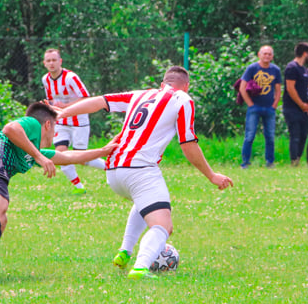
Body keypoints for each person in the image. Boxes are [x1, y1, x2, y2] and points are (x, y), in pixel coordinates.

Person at [55, 66, 233, 280]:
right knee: (163, 225)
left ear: (162, 84)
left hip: (113, 169)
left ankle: (125, 251)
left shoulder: (142, 94)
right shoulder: (183, 99)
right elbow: (188, 144)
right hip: (139, 170)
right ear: (186, 86)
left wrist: (63, 113)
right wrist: (212, 176)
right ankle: (141, 268)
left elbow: (100, 101)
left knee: (144, 202)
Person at [0, 102, 117, 286]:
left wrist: (104, 151)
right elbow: (10, 128)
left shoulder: (34, 150)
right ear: (47, 124)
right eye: (54, 128)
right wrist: (39, 157)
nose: (55, 135)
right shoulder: (32, 124)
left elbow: (69, 157)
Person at [41, 48, 105, 192]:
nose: (52, 63)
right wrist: (48, 107)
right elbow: (53, 101)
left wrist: (65, 107)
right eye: (49, 60)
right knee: (61, 155)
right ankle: (79, 188)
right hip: (62, 121)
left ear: (60, 61)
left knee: (81, 158)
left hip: (78, 121)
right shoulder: (45, 79)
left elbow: (86, 98)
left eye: (54, 60)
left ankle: (111, 167)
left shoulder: (71, 78)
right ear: (44, 63)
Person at [239, 45, 282, 168]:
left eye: (269, 54)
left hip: (269, 108)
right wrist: (250, 104)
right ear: (259, 54)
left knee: (270, 137)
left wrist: (275, 105)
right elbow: (242, 87)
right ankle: (245, 162)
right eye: (265, 53)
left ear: (272, 56)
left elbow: (278, 89)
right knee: (249, 136)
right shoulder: (252, 68)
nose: (267, 56)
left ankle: (270, 162)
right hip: (254, 107)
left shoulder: (275, 70)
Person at [283, 42, 308, 167]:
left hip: (304, 109)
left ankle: (299, 160)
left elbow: (307, 88)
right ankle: (294, 162)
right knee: (295, 135)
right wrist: (301, 104)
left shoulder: (304, 69)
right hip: (292, 108)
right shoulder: (292, 67)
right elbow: (290, 88)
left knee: (303, 135)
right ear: (305, 53)